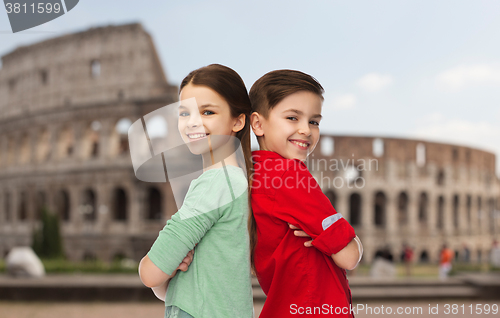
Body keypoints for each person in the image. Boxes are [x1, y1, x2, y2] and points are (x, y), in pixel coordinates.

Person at [138, 64, 254, 318]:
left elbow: (150, 272)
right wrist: (169, 269)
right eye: (184, 113)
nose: (193, 123)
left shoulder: (215, 184)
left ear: (238, 120)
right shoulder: (235, 181)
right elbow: (170, 287)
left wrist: (160, 265)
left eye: (208, 111)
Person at [249, 69, 363, 318]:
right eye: (292, 117)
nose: (306, 130)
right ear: (257, 123)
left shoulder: (253, 173)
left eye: (314, 121)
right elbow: (349, 256)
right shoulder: (290, 175)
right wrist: (351, 241)